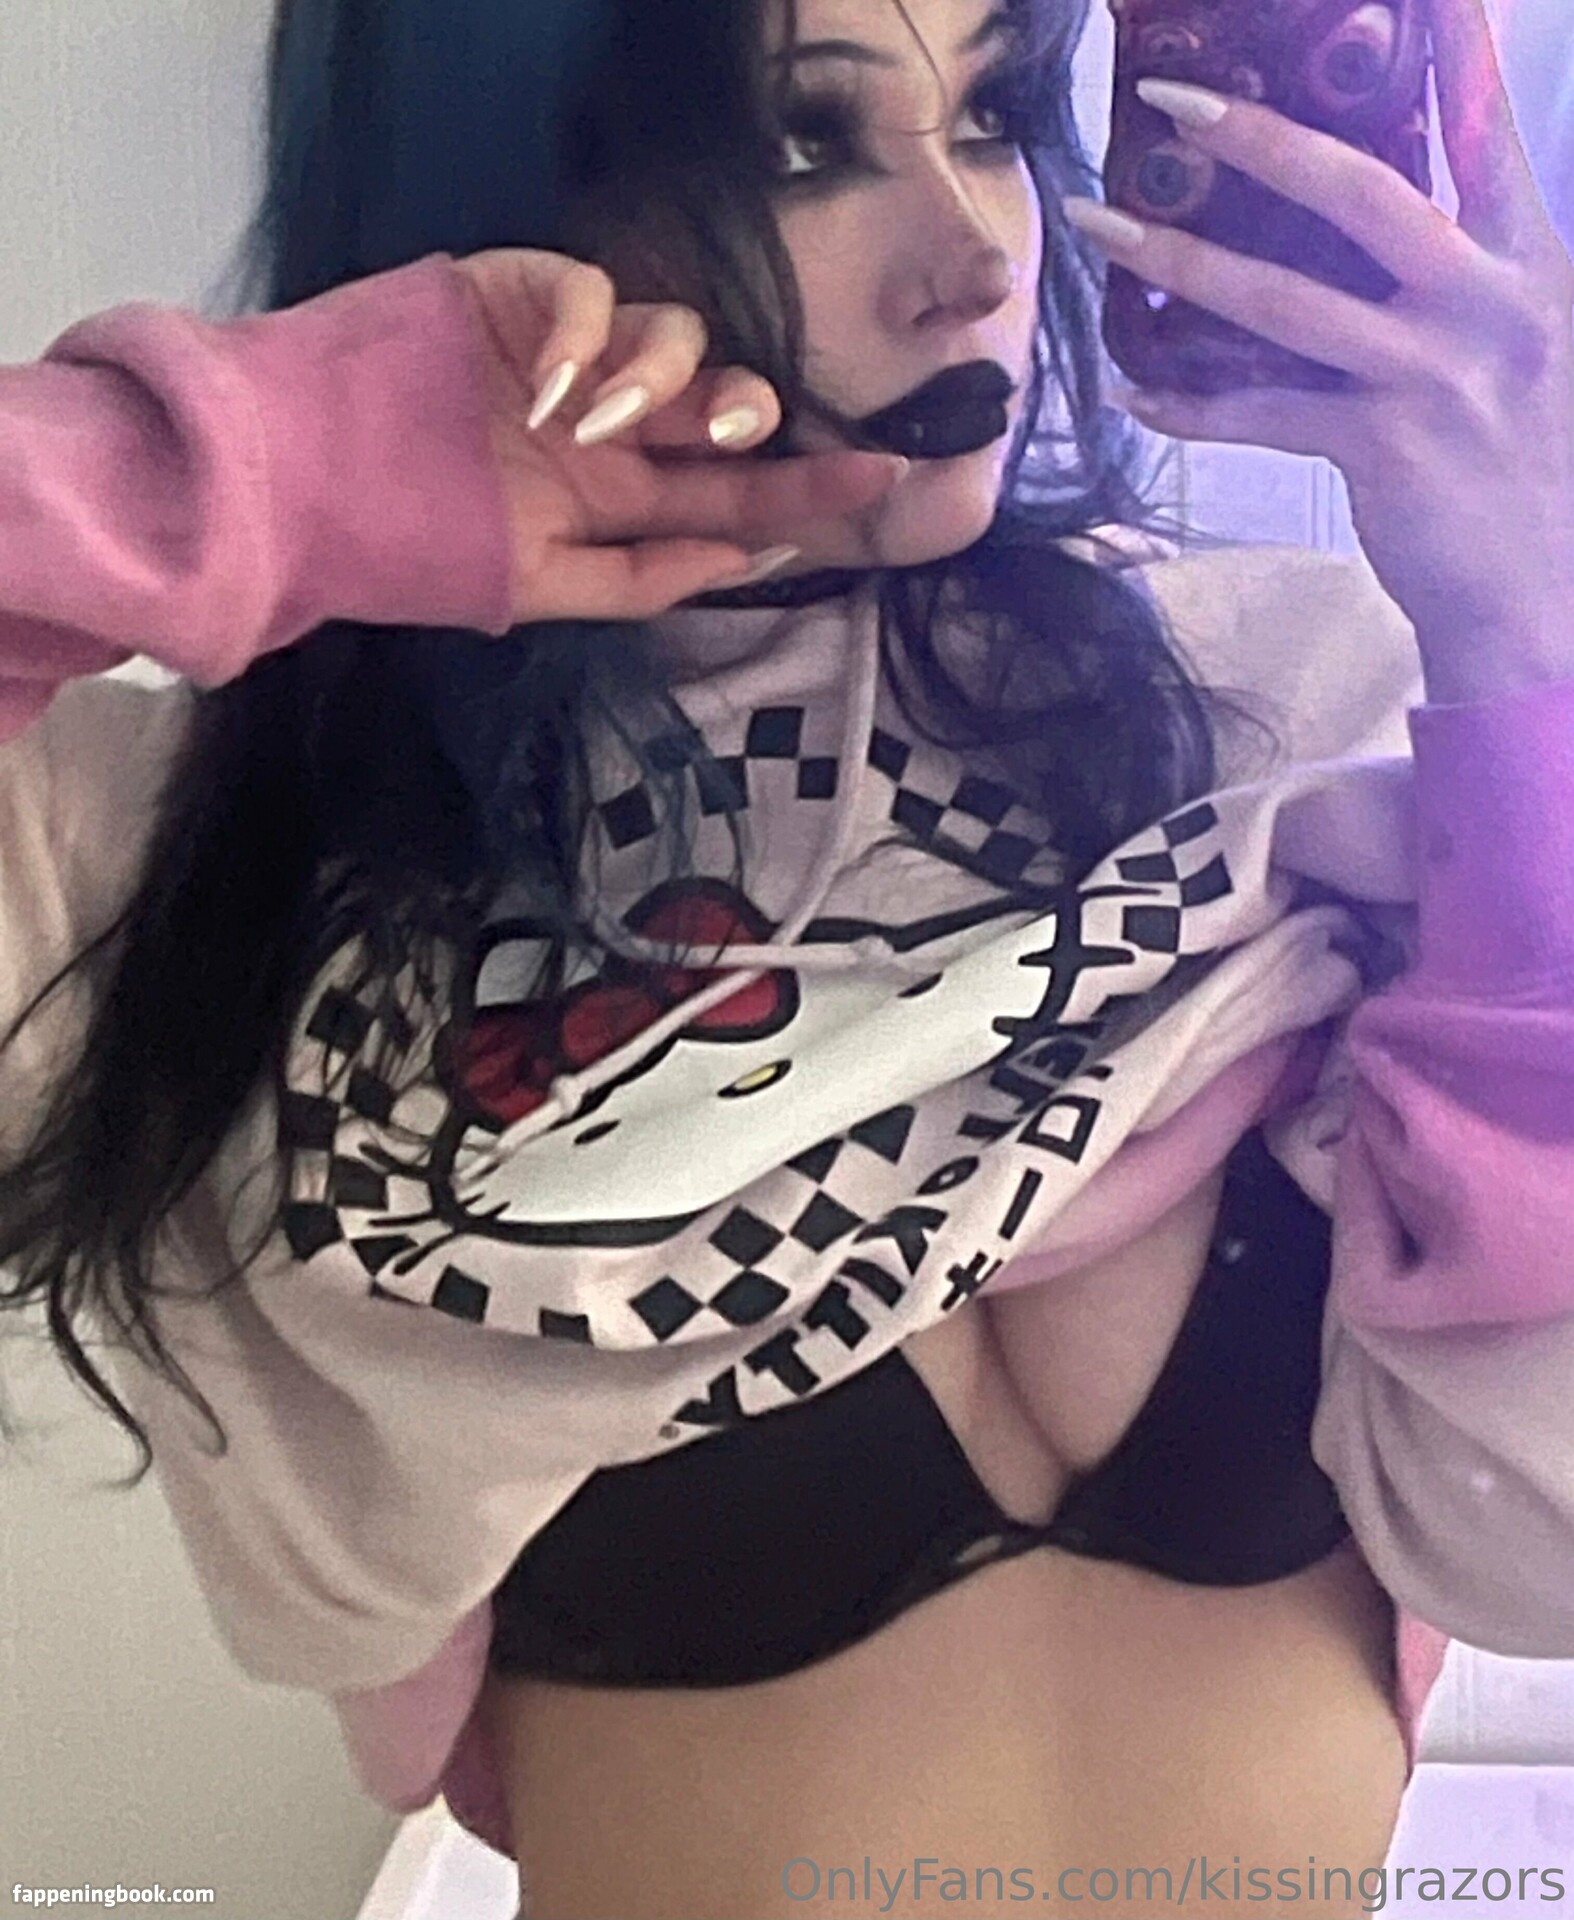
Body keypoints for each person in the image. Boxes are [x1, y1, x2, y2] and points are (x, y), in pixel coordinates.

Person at [2, 0, 1572, 1914]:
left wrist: (1522, 633)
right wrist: (234, 476)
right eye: (802, 145)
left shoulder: (1298, 726)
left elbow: (1542, 1545)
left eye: (990, 114)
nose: (975, 261)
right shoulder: (211, 864)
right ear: (501, 193)